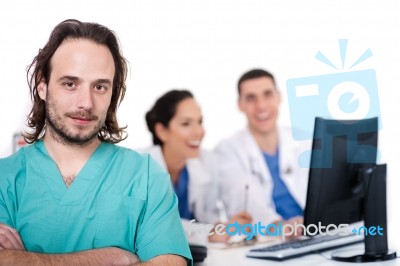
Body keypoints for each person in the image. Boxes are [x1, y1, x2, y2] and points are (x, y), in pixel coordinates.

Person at [0, 19, 191, 265]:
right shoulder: (5, 178)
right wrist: (113, 257)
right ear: (42, 85)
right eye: (70, 84)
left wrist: (24, 259)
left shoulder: (145, 176)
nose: (86, 103)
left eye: (100, 87)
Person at [144, 90, 252, 242]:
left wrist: (224, 226)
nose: (199, 132)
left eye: (199, 122)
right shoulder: (141, 167)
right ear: (162, 131)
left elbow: (208, 215)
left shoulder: (207, 161)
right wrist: (210, 233)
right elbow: (157, 224)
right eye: (186, 123)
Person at [214, 69, 310, 232]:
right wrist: (278, 227)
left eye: (268, 94)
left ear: (279, 97)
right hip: (267, 239)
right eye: (251, 98)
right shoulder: (227, 151)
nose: (261, 106)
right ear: (240, 105)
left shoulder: (305, 142)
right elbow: (240, 198)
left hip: (318, 231)